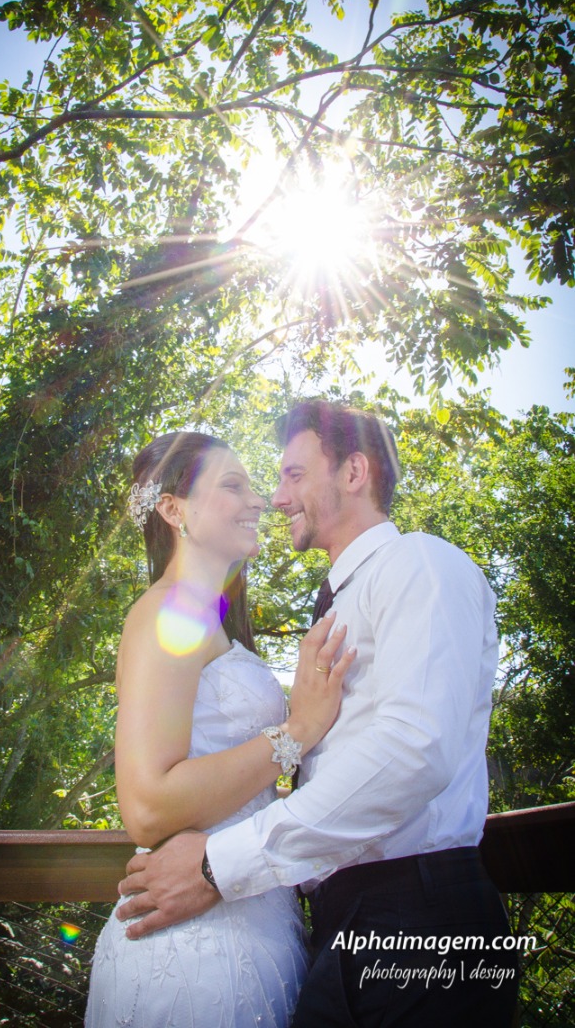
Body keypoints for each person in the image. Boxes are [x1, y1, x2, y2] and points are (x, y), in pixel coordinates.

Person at [116, 402, 520, 1027]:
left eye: (291, 476)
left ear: (354, 472)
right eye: (247, 483)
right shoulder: (328, 606)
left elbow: (414, 749)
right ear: (174, 511)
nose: (273, 500)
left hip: (417, 921)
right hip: (332, 924)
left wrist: (223, 864)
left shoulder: (419, 564)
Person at [84, 430, 357, 1028]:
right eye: (234, 485)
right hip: (194, 956)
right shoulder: (168, 611)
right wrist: (298, 731)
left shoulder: (214, 620)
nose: (259, 500)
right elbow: (148, 806)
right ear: (174, 509)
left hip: (248, 917)